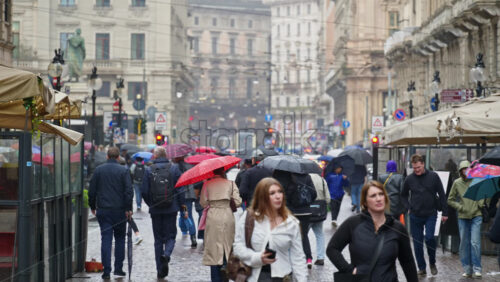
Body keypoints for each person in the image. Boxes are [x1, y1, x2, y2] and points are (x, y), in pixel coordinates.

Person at [327, 180, 418, 282]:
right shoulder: (353, 224)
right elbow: (332, 249)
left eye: (381, 194)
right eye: (373, 196)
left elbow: (407, 262)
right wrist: (349, 270)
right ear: (365, 202)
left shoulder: (397, 228)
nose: (378, 199)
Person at [233, 177, 307, 282]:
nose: (278, 196)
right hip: (254, 277)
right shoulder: (249, 218)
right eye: (272, 193)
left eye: (280, 192)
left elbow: (298, 257)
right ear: (262, 197)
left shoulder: (291, 223)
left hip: (282, 277)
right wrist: (257, 258)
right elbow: (238, 247)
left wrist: (302, 279)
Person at [88, 147, 133, 279]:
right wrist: (128, 208)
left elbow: (92, 190)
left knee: (106, 239)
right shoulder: (124, 170)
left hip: (104, 210)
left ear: (107, 156)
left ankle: (106, 270)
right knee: (120, 239)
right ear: (118, 157)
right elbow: (128, 191)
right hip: (119, 211)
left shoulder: (99, 170)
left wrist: (92, 205)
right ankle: (118, 268)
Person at [401, 154, 448, 276]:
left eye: (418, 167)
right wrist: (408, 207)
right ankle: (422, 268)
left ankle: (432, 262)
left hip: (431, 214)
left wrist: (445, 212)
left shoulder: (433, 176)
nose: (416, 170)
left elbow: (442, 194)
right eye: (414, 168)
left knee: (430, 238)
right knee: (417, 244)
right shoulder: (409, 179)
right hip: (415, 215)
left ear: (423, 164)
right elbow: (403, 195)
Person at [141, 146, 183, 279]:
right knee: (171, 236)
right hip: (171, 209)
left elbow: (144, 191)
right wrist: (181, 206)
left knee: (158, 239)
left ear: (155, 156)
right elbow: (180, 189)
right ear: (165, 155)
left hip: (156, 210)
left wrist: (152, 204)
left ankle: (159, 269)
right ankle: (167, 254)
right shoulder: (174, 168)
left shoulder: (149, 170)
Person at [200, 167, 242, 282]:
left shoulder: (207, 184)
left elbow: (203, 203)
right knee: (227, 245)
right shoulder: (231, 184)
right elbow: (238, 202)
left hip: (213, 215)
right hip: (227, 215)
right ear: (224, 171)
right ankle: (226, 270)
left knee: (213, 247)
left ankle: (215, 278)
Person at [273, 170, 316, 269]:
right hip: (306, 211)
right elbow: (314, 194)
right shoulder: (307, 176)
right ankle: (308, 259)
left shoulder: (289, 177)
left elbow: (285, 196)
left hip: (293, 212)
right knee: (304, 235)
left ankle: (290, 260)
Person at [447, 160, 483, 278]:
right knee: (464, 244)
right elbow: (450, 199)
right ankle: (468, 269)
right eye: (463, 169)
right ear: (460, 171)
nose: (465, 171)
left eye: (467, 169)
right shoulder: (457, 183)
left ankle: (477, 269)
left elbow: (484, 194)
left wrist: (480, 203)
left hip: (476, 215)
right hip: (463, 217)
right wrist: (460, 207)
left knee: (475, 242)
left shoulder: (477, 181)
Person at [173, 156, 198, 248]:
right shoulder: (190, 167)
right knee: (188, 215)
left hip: (178, 196)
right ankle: (193, 236)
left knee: (177, 215)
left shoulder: (174, 168)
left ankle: (174, 236)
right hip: (188, 196)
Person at [308, 173, 331, 266]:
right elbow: (328, 198)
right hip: (319, 212)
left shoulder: (305, 179)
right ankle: (320, 257)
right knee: (319, 234)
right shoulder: (322, 180)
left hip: (308, 212)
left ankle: (307, 258)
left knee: (303, 236)